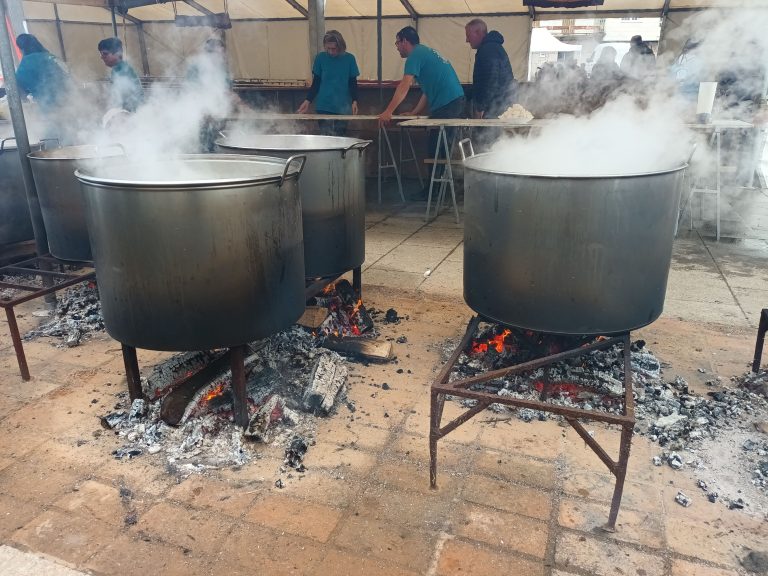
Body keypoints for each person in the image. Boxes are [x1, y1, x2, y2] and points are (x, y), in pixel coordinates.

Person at [379, 26, 465, 199]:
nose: (396, 47)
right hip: (454, 101)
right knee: (440, 147)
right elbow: (428, 90)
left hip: (449, 104)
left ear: (404, 41)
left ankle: (435, 191)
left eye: (397, 43)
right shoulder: (425, 52)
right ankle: (438, 189)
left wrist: (388, 111)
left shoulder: (415, 56)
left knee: (438, 147)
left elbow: (404, 85)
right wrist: (414, 111)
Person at [15, 34, 77, 142]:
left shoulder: (26, 64)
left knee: (53, 143)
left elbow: (18, 90)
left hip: (49, 110)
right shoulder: (52, 57)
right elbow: (69, 80)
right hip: (70, 106)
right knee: (72, 137)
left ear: (21, 48)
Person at [297, 30, 360, 136]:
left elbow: (352, 82)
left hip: (343, 106)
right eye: (328, 49)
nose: (331, 52)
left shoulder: (350, 59)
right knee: (326, 137)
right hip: (324, 105)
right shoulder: (320, 58)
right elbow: (316, 82)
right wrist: (308, 101)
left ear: (341, 46)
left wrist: (355, 101)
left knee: (340, 138)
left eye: (334, 49)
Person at [185, 37, 240, 152]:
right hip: (203, 117)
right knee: (205, 146)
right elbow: (192, 92)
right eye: (217, 54)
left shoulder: (223, 70)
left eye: (222, 54)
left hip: (219, 117)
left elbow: (227, 90)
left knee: (220, 143)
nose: (221, 58)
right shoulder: (195, 68)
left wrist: (233, 98)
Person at [465, 18, 515, 119]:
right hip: (499, 104)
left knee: (486, 134)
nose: (467, 40)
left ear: (478, 32)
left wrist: (481, 107)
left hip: (494, 108)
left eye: (468, 35)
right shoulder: (492, 48)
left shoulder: (488, 50)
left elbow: (492, 79)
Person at [98, 37, 144, 113]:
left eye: (105, 54)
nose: (102, 57)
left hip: (133, 114)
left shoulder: (123, 71)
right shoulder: (115, 69)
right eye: (101, 54)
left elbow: (129, 100)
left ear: (117, 54)